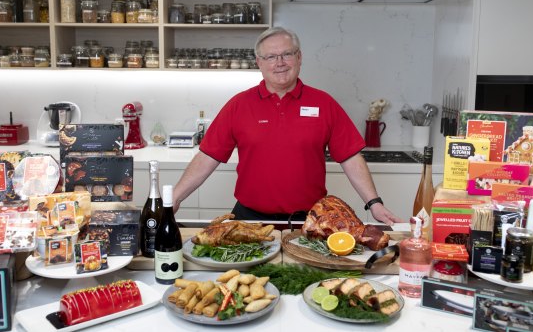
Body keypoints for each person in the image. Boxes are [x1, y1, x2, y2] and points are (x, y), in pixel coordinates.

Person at [172, 27, 403, 225]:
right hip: (249, 219)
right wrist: (174, 198)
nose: (280, 63)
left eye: (287, 54)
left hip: (310, 221)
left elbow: (351, 158)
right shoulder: (239, 105)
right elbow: (207, 158)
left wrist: (374, 203)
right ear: (258, 63)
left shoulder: (324, 103)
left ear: (299, 57)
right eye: (271, 57)